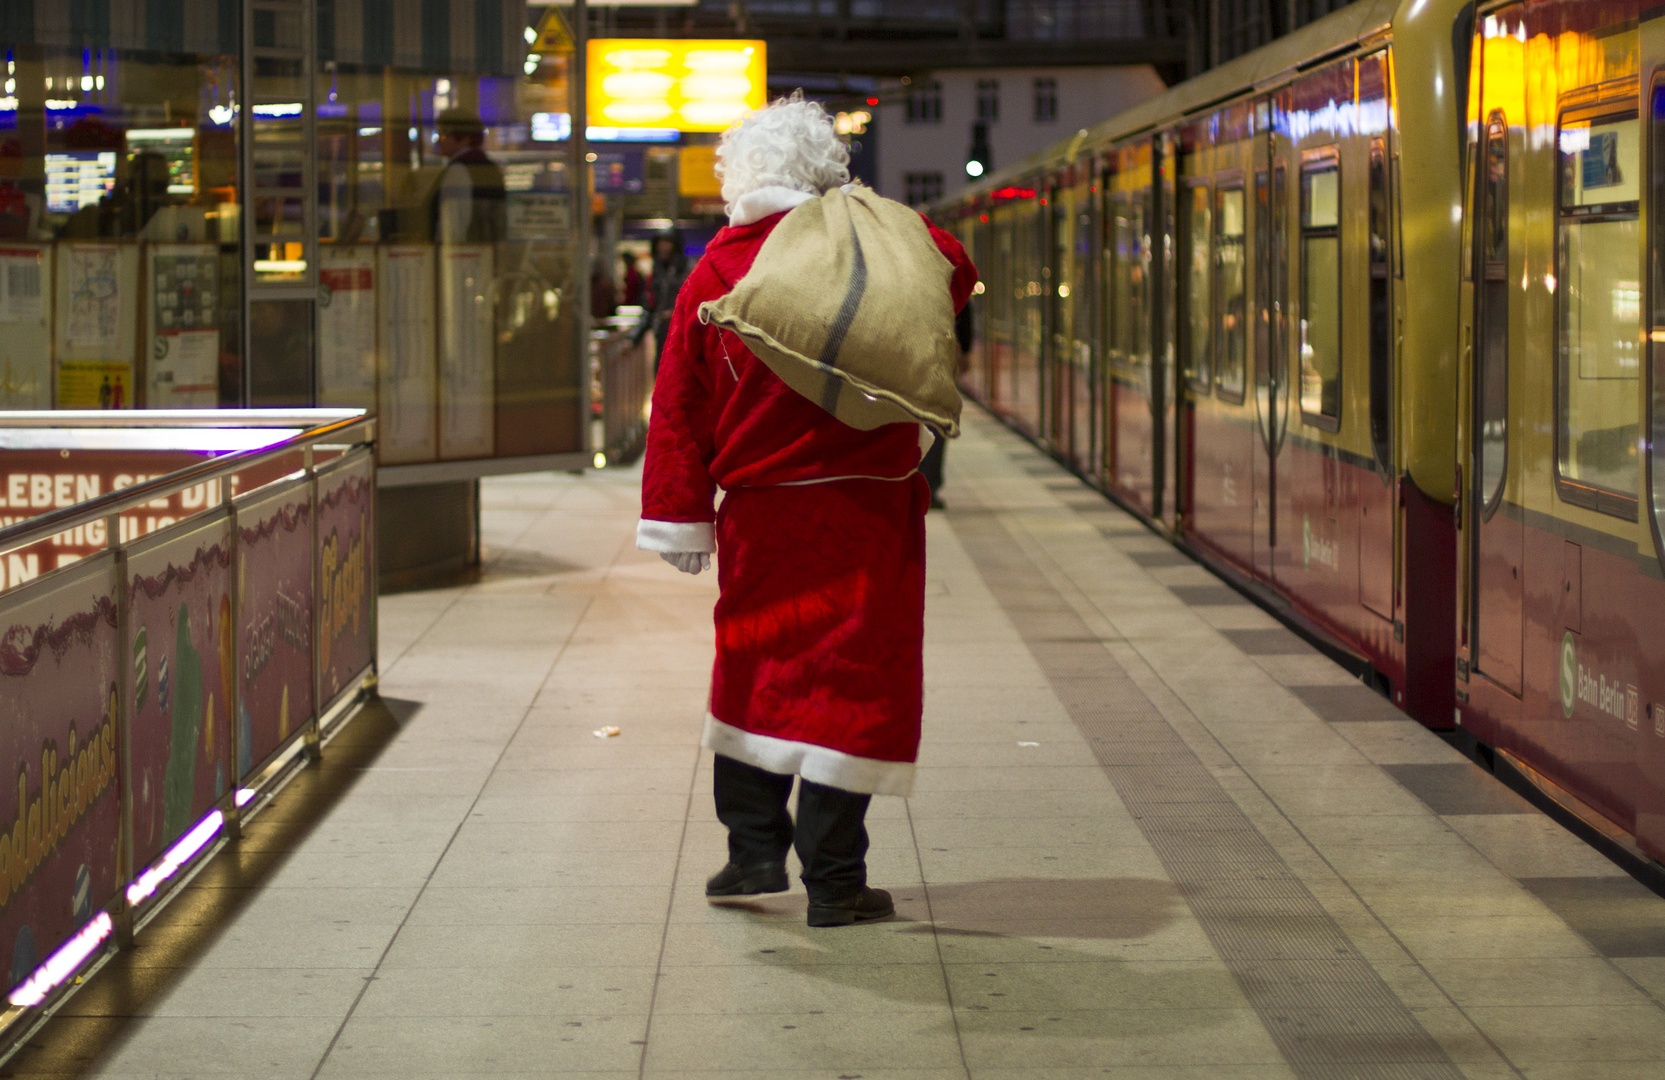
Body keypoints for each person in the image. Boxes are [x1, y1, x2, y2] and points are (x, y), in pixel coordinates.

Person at [636, 95, 977, 928]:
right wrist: (860, 210)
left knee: (756, 668)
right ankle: (834, 881)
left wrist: (681, 514)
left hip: (763, 518)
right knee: (850, 685)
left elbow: (680, 406)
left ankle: (751, 850)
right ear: (827, 172)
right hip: (867, 514)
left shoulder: (717, 272)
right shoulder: (872, 243)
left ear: (737, 180)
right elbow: (954, 273)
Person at [431, 108, 505, 243]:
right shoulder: (490, 168)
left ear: (464, 139)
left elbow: (452, 225)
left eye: (443, 136)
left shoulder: (457, 170)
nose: (438, 142)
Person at [638, 229, 689, 369]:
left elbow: (698, 303)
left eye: (667, 242)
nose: (664, 247)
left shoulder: (687, 270)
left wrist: (675, 313)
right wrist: (633, 338)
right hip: (662, 336)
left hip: (684, 338)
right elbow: (649, 307)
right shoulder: (655, 274)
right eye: (660, 243)